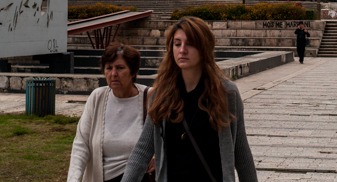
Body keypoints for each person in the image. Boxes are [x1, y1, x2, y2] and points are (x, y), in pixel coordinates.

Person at [121, 16, 257, 182]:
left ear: (204, 48)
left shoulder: (226, 93)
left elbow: (241, 154)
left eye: (190, 44)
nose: (182, 50)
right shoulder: (162, 94)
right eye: (177, 44)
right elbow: (142, 150)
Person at [68, 43, 154, 182]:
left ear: (133, 72)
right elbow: (81, 144)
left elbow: (167, 141)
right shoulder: (97, 97)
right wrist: (73, 178)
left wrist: (157, 156)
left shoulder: (150, 97)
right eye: (109, 68)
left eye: (120, 68)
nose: (113, 74)